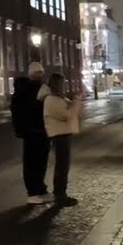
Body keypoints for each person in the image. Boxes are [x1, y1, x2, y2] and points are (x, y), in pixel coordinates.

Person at [12, 61, 51, 205]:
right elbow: (21, 112)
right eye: (37, 73)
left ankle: (41, 189)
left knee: (41, 162)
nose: (39, 75)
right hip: (32, 131)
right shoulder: (24, 91)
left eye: (41, 72)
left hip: (41, 130)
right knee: (32, 163)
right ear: (31, 74)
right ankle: (33, 192)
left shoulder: (40, 88)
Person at [40, 72, 80, 207]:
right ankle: (60, 195)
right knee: (62, 166)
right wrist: (74, 105)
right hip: (59, 135)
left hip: (62, 134)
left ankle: (61, 193)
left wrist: (73, 103)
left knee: (63, 165)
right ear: (57, 84)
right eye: (62, 83)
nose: (64, 86)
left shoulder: (57, 98)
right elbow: (66, 115)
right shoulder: (52, 99)